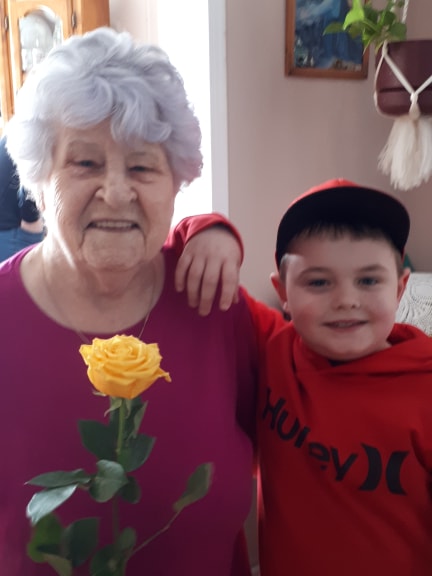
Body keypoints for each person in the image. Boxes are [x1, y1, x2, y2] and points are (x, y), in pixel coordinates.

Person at [0, 27, 258, 576]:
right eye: (85, 164)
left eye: (143, 167)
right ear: (39, 179)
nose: (117, 192)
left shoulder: (216, 304)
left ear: (176, 183)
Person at [178, 178, 432, 576]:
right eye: (318, 282)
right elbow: (192, 257)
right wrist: (211, 229)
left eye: (369, 280)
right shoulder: (274, 345)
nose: (346, 299)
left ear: (400, 289)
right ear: (283, 292)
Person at [0, 136, 44, 261]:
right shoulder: (41, 130)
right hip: (12, 231)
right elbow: (32, 177)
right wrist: (32, 222)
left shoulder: (17, 129)